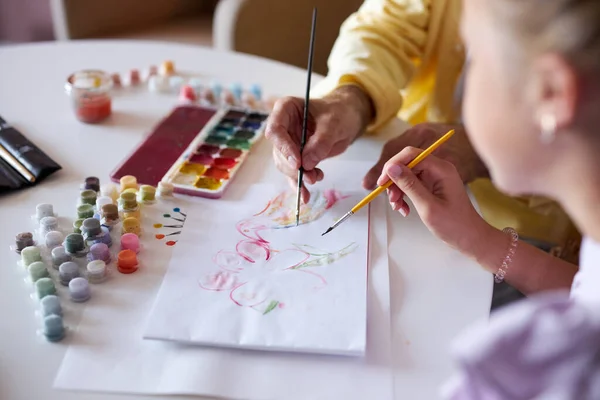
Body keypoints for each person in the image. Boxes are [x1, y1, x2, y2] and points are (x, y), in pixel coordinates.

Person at [375, 0, 600, 397]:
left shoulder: (542, 377)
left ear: (550, 91)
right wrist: (476, 239)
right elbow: (587, 292)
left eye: (474, 57)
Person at [265, 0, 581, 271]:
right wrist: (353, 99)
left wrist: (483, 151)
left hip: (529, 237)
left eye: (478, 60)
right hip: (438, 221)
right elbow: (384, 25)